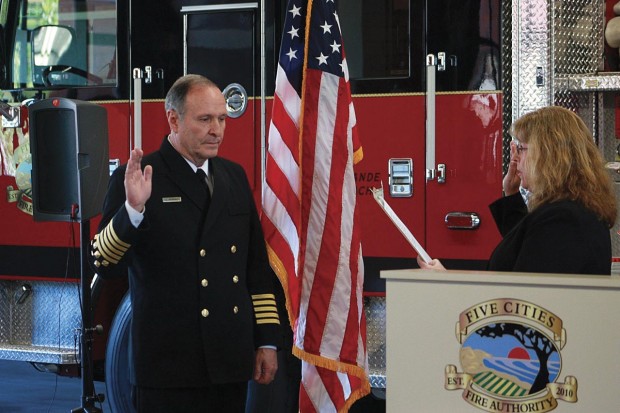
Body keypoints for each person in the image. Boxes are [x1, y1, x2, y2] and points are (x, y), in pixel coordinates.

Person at [90, 74, 281, 412]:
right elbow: (104, 263)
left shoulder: (233, 176)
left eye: (222, 119)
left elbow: (255, 268)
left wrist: (266, 340)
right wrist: (132, 211)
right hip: (168, 369)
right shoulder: (138, 176)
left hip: (229, 363)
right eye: (205, 119)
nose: (217, 130)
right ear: (173, 119)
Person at [419, 106, 617, 275]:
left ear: (547, 155)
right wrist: (512, 194)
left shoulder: (563, 220)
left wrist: (445, 283)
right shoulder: (571, 212)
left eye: (521, 149)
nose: (515, 159)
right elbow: (528, 247)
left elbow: (519, 297)